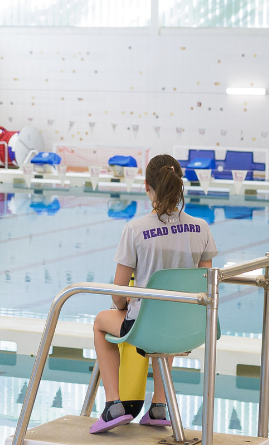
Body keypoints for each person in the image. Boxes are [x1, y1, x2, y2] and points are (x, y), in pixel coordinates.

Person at [90, 154, 218, 434]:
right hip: (188, 326)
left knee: (102, 322)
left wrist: (124, 304)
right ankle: (159, 406)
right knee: (169, 313)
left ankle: (114, 405)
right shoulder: (202, 228)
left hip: (145, 327)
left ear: (147, 186)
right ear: (179, 183)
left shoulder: (135, 229)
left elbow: (118, 292)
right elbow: (204, 284)